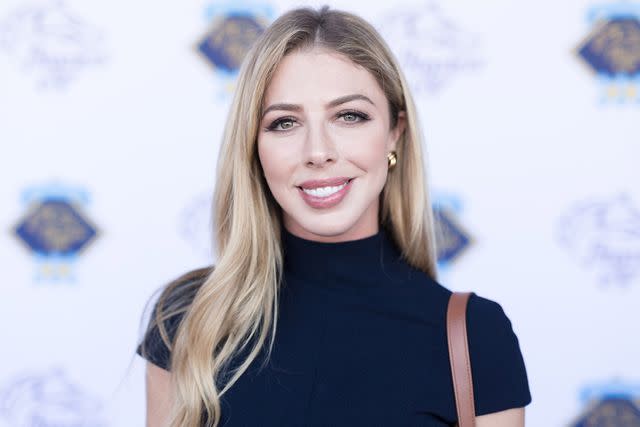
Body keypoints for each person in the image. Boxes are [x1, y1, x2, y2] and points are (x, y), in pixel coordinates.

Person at [137, 5, 532, 427]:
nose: (318, 151)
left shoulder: (475, 338)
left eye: (349, 116)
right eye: (285, 122)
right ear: (254, 146)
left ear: (395, 132)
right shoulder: (188, 319)